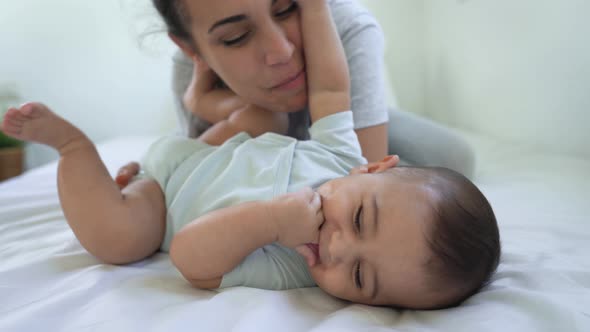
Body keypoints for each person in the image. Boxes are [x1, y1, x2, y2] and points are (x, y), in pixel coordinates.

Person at [0, 0, 499, 310]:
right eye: (363, 218)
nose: (340, 248)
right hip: (209, 147)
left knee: (120, 238)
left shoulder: (291, 265)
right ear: (374, 167)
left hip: (162, 199)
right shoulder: (342, 157)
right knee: (268, 121)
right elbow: (329, 89)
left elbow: (191, 257)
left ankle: (72, 147)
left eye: (361, 277)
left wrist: (270, 222)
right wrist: (315, 7)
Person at [115, 0, 476, 188]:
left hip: (349, 123)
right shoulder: (189, 71)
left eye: (286, 8)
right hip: (262, 128)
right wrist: (153, 180)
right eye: (236, 37)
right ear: (191, 49)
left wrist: (208, 104)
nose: (281, 51)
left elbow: (360, 179)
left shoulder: (347, 26)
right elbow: (196, 172)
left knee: (454, 159)